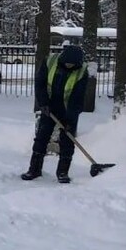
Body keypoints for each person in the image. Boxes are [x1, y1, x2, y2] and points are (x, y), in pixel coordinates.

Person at [21, 43, 89, 184]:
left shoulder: (82, 72)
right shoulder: (50, 62)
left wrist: (70, 120)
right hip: (49, 106)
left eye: (72, 65)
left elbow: (77, 98)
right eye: (68, 63)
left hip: (68, 108)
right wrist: (43, 103)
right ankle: (34, 169)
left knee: (67, 140)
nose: (69, 66)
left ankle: (63, 172)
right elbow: (40, 83)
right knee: (41, 137)